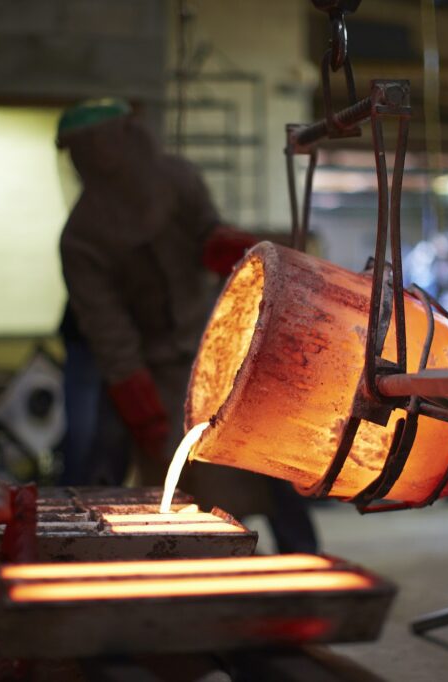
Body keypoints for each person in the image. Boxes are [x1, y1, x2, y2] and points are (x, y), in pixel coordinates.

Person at [56, 98, 318, 553]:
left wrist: (241, 252)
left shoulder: (177, 179)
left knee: (268, 452)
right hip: (147, 361)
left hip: (214, 340)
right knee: (105, 451)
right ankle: (87, 551)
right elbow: (109, 329)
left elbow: (208, 235)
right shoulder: (81, 236)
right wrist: (139, 402)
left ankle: (305, 559)